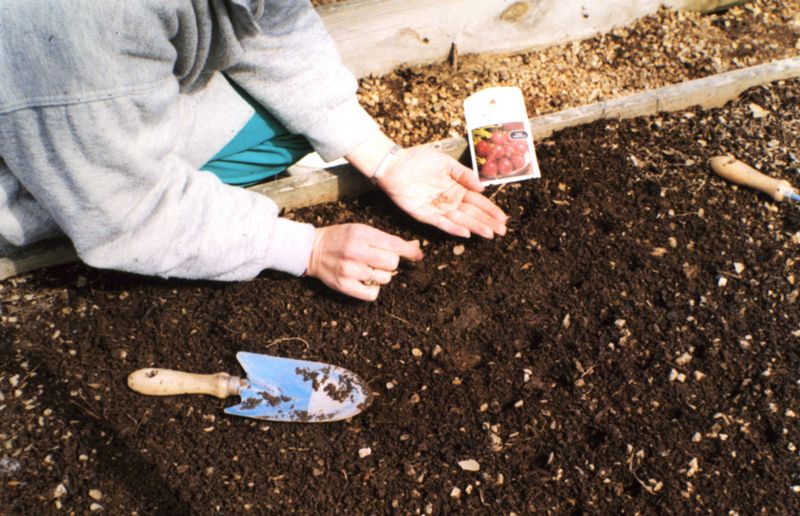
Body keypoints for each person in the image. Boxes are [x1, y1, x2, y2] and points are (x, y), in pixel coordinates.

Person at [0, 1, 508, 301]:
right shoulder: (82, 23)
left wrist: (384, 159)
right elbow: (128, 212)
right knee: (123, 205)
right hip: (25, 176)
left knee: (292, 123)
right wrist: (306, 248)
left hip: (94, 103)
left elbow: (274, 23)